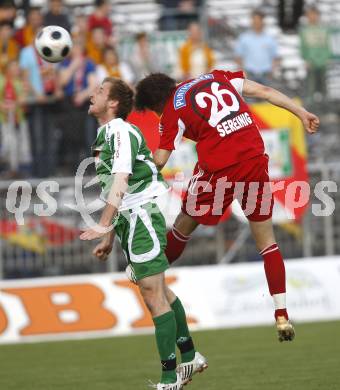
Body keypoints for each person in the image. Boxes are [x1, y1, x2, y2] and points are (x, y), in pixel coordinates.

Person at [134, 70, 320, 342]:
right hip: (253, 158)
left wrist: (129, 173)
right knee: (267, 242)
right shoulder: (217, 76)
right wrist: (301, 112)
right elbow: (266, 93)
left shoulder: (172, 109)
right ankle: (281, 315)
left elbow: (160, 159)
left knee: (184, 225)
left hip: (219, 167)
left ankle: (149, 272)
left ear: (156, 105)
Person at [79, 77, 207, 389]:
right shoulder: (104, 133)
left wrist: (102, 224)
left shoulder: (118, 130)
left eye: (99, 91)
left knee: (152, 293)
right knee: (157, 289)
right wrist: (110, 234)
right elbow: (114, 185)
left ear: (112, 103)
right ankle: (190, 357)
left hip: (143, 210)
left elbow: (122, 177)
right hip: (132, 213)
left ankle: (169, 379)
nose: (92, 95)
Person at [235, 9, 279, 85]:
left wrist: (272, 70)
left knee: (266, 97)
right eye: (254, 20)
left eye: (258, 20)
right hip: (249, 74)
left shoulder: (270, 39)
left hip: (266, 75)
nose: (256, 22)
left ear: (262, 21)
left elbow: (275, 57)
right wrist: (242, 71)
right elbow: (238, 57)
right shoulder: (244, 38)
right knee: (249, 97)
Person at [299, 6, 331, 107]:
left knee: (323, 86)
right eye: (310, 15)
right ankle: (310, 108)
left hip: (322, 62)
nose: (312, 17)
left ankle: (325, 107)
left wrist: (326, 58)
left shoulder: (324, 30)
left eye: (314, 14)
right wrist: (306, 59)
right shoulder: (304, 31)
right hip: (311, 63)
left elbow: (327, 46)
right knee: (310, 87)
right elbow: (302, 47)